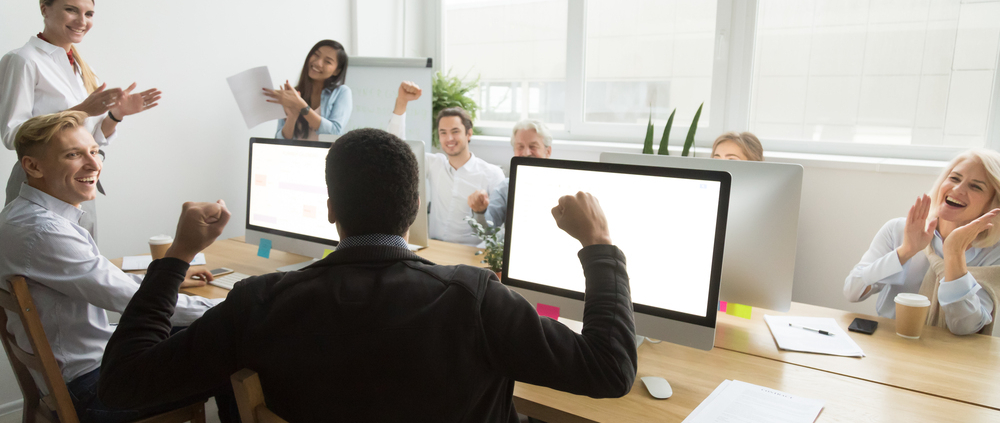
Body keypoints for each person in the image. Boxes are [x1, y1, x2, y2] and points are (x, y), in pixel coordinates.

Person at [98, 128, 637, 422]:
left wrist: (178, 255)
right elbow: (609, 372)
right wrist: (599, 246)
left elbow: (123, 383)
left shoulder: (257, 302)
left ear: (330, 209)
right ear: (414, 208)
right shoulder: (473, 299)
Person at [0, 111, 236, 422]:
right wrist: (237, 307)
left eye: (95, 152)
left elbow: (107, 282)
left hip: (85, 369)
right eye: (73, 155)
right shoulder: (44, 233)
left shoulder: (21, 216)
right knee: (234, 347)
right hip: (92, 388)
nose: (94, 165)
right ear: (32, 166)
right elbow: (131, 302)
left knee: (209, 332)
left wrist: (167, 280)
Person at [0, 0, 162, 241]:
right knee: (39, 266)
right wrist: (83, 110)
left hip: (82, 180)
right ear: (45, 8)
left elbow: (93, 137)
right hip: (40, 181)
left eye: (89, 13)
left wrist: (116, 115)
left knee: (86, 266)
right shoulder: (23, 60)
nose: (82, 21)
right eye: (71, 9)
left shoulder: (82, 67)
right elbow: (14, 135)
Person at [845, 149, 1000, 335]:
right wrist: (905, 251)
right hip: (891, 343)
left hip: (953, 356)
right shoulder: (898, 230)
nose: (957, 189)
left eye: (976, 187)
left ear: (993, 204)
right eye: (954, 178)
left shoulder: (994, 254)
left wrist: (954, 255)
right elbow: (852, 291)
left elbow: (965, 327)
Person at [387, 82, 505, 246]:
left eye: (455, 131)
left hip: (471, 253)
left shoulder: (492, 174)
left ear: (468, 134)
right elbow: (395, 148)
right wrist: (402, 102)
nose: (449, 138)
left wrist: (481, 211)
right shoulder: (434, 163)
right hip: (434, 249)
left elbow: (496, 229)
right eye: (443, 133)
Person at [467, 119, 553, 229]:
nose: (526, 153)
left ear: (548, 151)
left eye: (533, 146)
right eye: (520, 147)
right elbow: (487, 229)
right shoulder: (506, 187)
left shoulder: (563, 185)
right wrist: (480, 211)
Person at [264, 39, 351, 140]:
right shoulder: (294, 95)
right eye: (316, 55)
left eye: (327, 61)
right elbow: (279, 141)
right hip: (294, 155)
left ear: (337, 71)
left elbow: (335, 132)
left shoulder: (341, 92)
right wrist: (292, 117)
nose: (318, 63)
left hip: (326, 155)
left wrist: (301, 106)